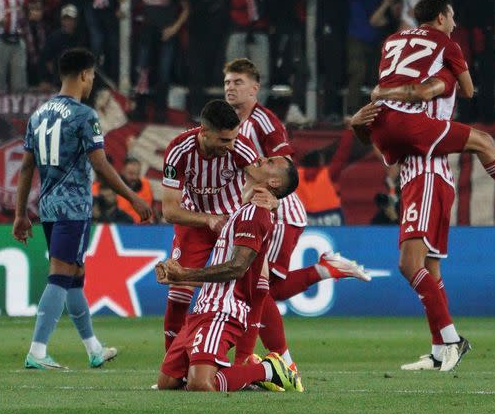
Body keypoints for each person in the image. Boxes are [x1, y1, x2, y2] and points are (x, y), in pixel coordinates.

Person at [355, 0, 495, 218]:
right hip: (408, 124)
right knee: (484, 142)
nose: (454, 24)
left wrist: (381, 92)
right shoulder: (446, 44)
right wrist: (448, 75)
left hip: (379, 123)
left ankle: (398, 200)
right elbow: (467, 90)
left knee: (412, 170)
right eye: (452, 18)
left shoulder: (392, 40)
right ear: (441, 17)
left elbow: (395, 78)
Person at [223, 58, 369, 372]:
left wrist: (273, 204)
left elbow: (284, 169)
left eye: (237, 83)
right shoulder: (232, 122)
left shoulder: (264, 122)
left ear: (254, 88)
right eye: (227, 83)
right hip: (258, 208)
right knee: (265, 289)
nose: (230, 88)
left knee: (258, 288)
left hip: (278, 210)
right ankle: (325, 270)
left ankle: (282, 364)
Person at [13, 48, 152, 370]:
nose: (91, 83)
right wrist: (132, 197)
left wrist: (21, 213)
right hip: (73, 207)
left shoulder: (39, 114)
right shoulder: (84, 115)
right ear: (85, 76)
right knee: (61, 276)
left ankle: (93, 349)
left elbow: (25, 169)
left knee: (75, 275)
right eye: (91, 77)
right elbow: (100, 163)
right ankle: (37, 350)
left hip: (48, 206)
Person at [155, 155, 303, 393]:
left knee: (201, 385)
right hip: (204, 308)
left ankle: (270, 369)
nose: (262, 158)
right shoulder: (243, 210)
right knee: (168, 383)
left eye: (270, 162)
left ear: (274, 182)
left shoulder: (255, 213)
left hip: (223, 310)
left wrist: (184, 275)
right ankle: (239, 374)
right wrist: (177, 277)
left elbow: (237, 267)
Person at [356, 64, 469, 372]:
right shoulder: (397, 100)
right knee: (430, 268)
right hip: (422, 180)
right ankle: (437, 351)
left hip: (426, 176)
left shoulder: (426, 89)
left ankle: (452, 339)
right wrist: (360, 124)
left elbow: (452, 89)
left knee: (409, 264)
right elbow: (388, 153)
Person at [160, 99, 264, 351]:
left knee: (256, 288)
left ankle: (244, 359)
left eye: (234, 139)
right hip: (194, 221)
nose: (231, 146)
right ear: (204, 132)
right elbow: (170, 211)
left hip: (232, 223)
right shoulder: (178, 151)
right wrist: (208, 219)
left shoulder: (242, 148)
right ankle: (173, 370)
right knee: (179, 292)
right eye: (224, 140)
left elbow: (262, 186)